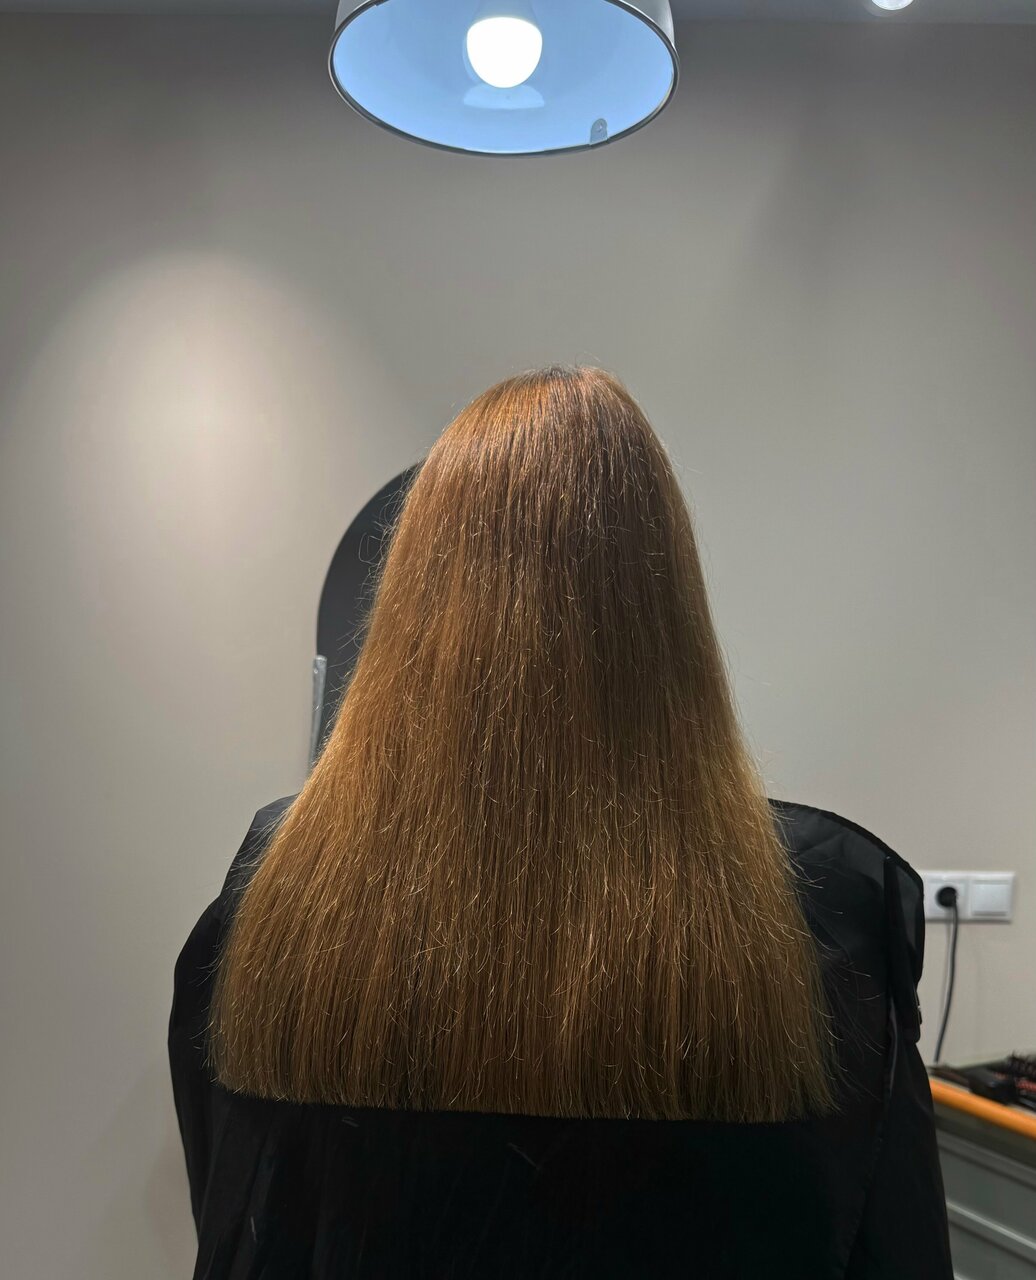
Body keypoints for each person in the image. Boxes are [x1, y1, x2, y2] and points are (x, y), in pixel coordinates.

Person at [169, 365, 952, 1279]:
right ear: (667, 608)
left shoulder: (278, 887)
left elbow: (233, 1208)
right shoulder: (823, 910)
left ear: (411, 593)